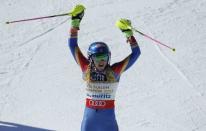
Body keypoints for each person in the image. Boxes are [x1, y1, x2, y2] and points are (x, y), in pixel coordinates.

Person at [68, 4, 141, 131]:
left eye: (104, 57)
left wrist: (129, 34)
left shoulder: (114, 72)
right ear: (90, 59)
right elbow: (72, 45)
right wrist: (75, 22)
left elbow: (136, 53)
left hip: (108, 125)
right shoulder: (86, 68)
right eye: (97, 58)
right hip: (89, 124)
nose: (101, 61)